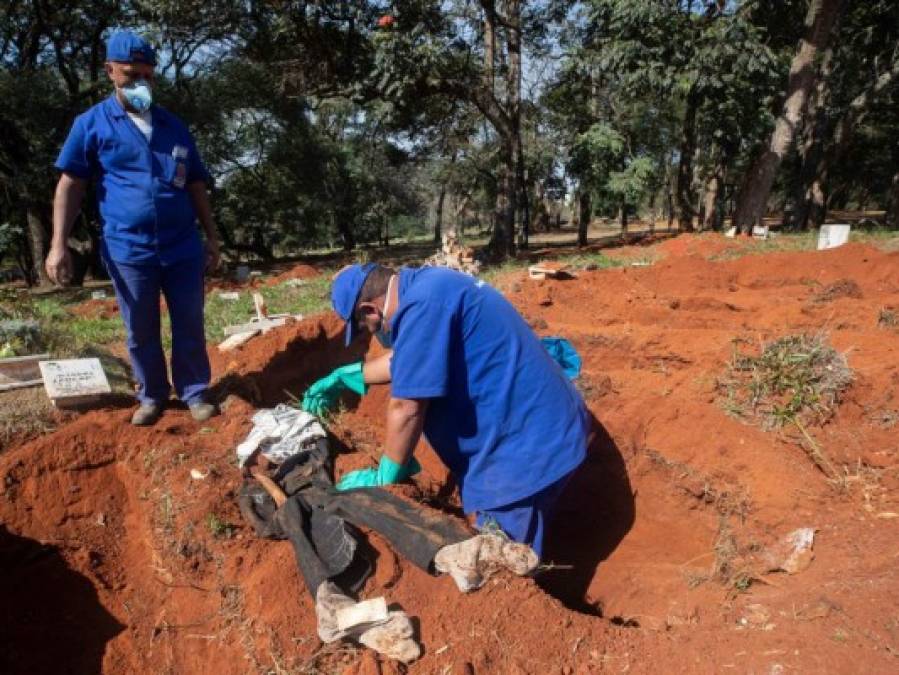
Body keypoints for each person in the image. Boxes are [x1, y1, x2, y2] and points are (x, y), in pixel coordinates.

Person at [302, 263, 589, 558]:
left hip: (523, 456)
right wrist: (350, 375)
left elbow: (407, 406)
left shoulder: (422, 306)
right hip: (548, 426)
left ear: (369, 310)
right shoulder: (428, 285)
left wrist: (385, 477)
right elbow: (413, 355)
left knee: (500, 564)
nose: (375, 336)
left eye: (367, 329)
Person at [46, 31, 219, 426]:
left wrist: (210, 236)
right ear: (110, 72)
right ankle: (153, 394)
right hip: (129, 248)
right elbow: (70, 184)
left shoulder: (173, 125)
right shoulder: (90, 125)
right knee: (140, 326)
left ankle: (194, 392)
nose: (141, 82)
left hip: (181, 245)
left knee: (189, 320)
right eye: (130, 74)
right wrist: (58, 244)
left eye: (148, 74)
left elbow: (195, 182)